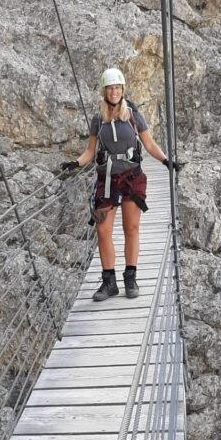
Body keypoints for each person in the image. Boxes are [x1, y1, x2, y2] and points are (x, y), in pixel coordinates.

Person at [61, 67, 174, 301]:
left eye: (117, 87)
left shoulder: (133, 115)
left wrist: (166, 161)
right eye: (110, 88)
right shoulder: (98, 120)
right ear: (104, 91)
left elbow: (150, 144)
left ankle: (130, 278)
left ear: (122, 90)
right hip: (107, 179)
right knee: (102, 230)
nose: (114, 91)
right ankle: (108, 282)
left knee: (130, 229)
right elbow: (90, 151)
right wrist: (75, 163)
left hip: (132, 176)